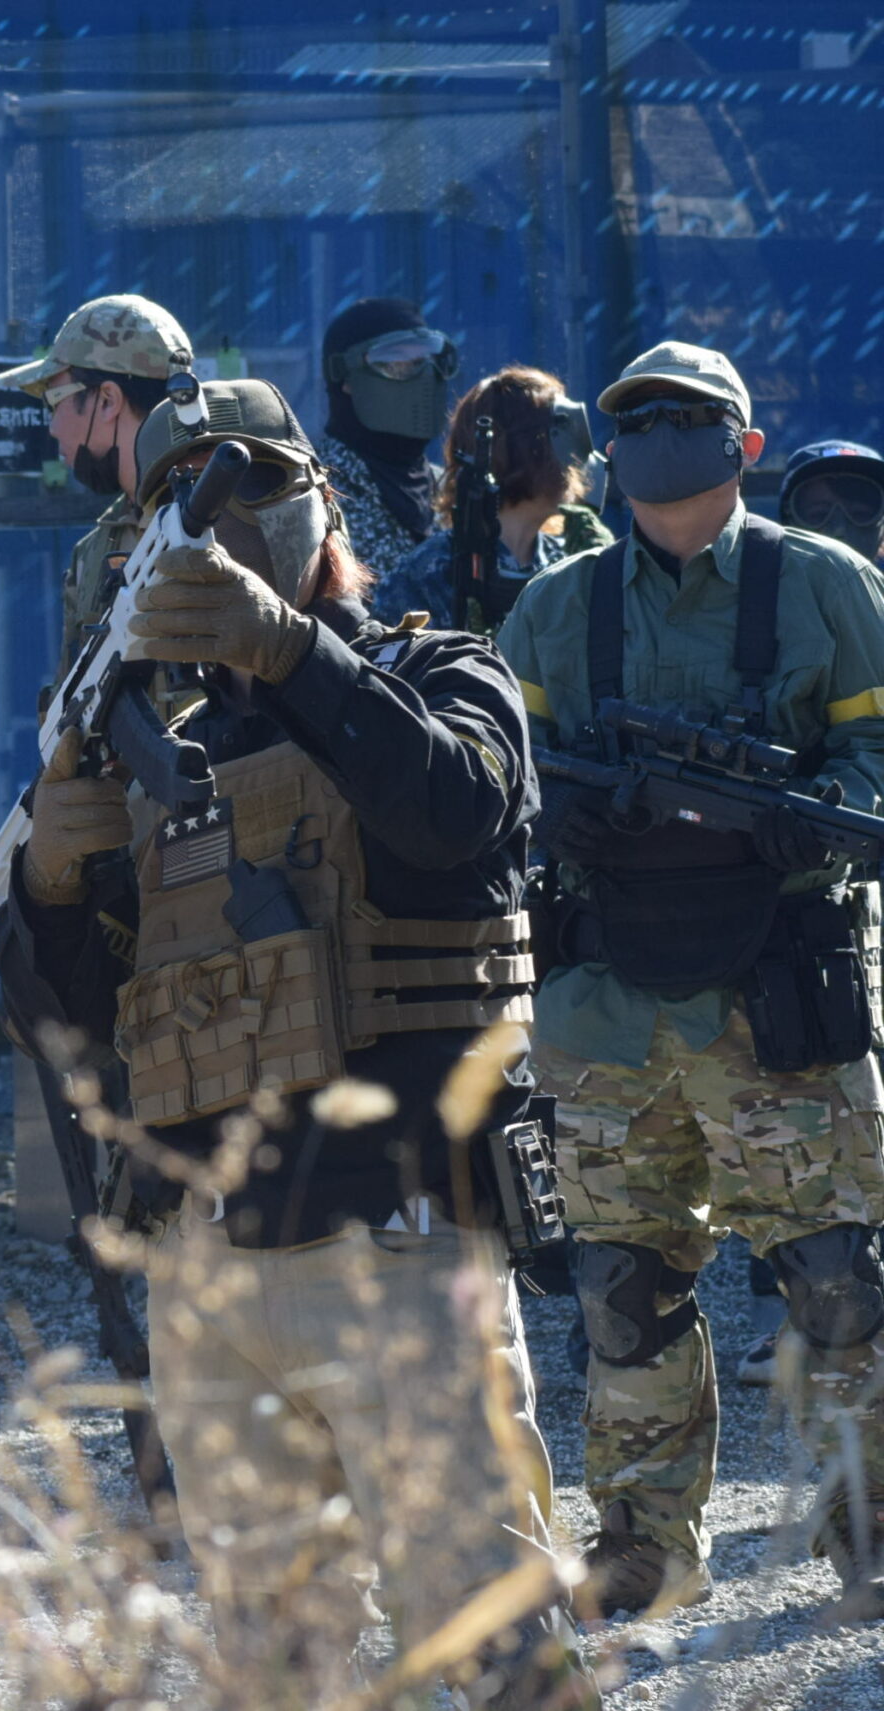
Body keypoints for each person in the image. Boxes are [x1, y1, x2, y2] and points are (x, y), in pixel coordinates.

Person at [0, 376, 595, 1707]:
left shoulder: (442, 673)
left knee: (496, 1638)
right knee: (274, 1665)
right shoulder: (149, 754)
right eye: (180, 498)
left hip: (397, 1244)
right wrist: (48, 885)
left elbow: (458, 811)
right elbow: (69, 1032)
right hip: (209, 1272)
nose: (221, 522)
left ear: (324, 509)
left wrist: (291, 653)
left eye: (254, 482)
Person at [496, 340, 884, 1616]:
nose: (663, 435)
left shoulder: (827, 584)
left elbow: (877, 757)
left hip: (778, 995)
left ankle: (867, 1515)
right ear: (607, 454)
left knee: (833, 1278)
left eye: (691, 416)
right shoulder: (558, 604)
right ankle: (644, 1545)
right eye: (638, 419)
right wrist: (563, 817)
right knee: (622, 1291)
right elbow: (499, 770)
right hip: (607, 1006)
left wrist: (807, 816)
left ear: (745, 446)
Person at [0, 294, 195, 673]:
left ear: (107, 400)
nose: (53, 427)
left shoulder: (228, 517)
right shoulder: (94, 552)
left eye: (54, 401)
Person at [375, 366, 614, 634]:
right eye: (558, 434)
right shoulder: (427, 575)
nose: (574, 460)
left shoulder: (567, 562)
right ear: (522, 449)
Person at [318, 297, 459, 577]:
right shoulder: (318, 489)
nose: (424, 375)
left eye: (426, 359)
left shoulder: (446, 489)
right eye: (397, 361)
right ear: (345, 379)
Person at [779, 438, 884, 566]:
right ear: (788, 521)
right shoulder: (758, 578)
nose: (839, 530)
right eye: (819, 514)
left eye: (860, 514)